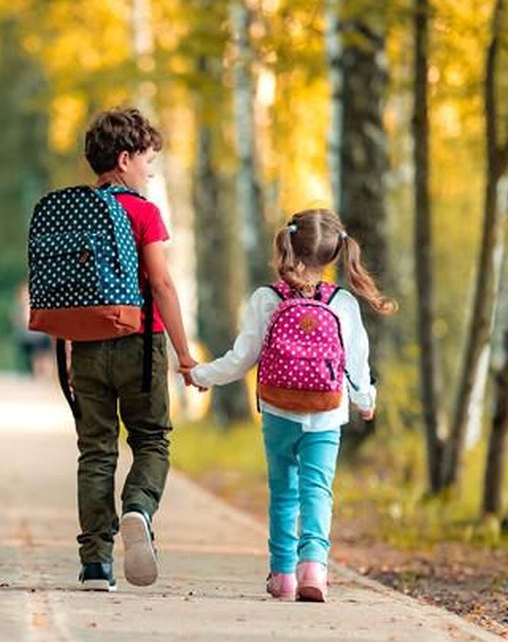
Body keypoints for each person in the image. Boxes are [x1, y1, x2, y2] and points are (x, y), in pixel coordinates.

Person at [183, 208, 397, 602]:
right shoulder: (342, 302)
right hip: (327, 412)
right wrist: (365, 401)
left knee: (283, 491)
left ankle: (282, 574)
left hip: (279, 409)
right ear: (336, 254)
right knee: (317, 489)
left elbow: (242, 356)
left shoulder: (267, 298)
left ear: (290, 244)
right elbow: (356, 363)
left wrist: (201, 375)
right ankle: (313, 566)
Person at [72, 107, 196, 591]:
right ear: (124, 159)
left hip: (85, 345)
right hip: (140, 346)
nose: (150, 169)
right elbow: (162, 284)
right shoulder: (143, 211)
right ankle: (139, 509)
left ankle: (96, 564)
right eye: (147, 160)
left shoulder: (77, 212)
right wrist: (185, 355)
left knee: (96, 450)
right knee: (150, 439)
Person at [13, 281, 53, 378]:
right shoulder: (26, 305)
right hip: (34, 334)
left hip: (38, 333)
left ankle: (44, 373)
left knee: (42, 353)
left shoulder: (35, 303)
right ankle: (41, 374)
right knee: (39, 353)